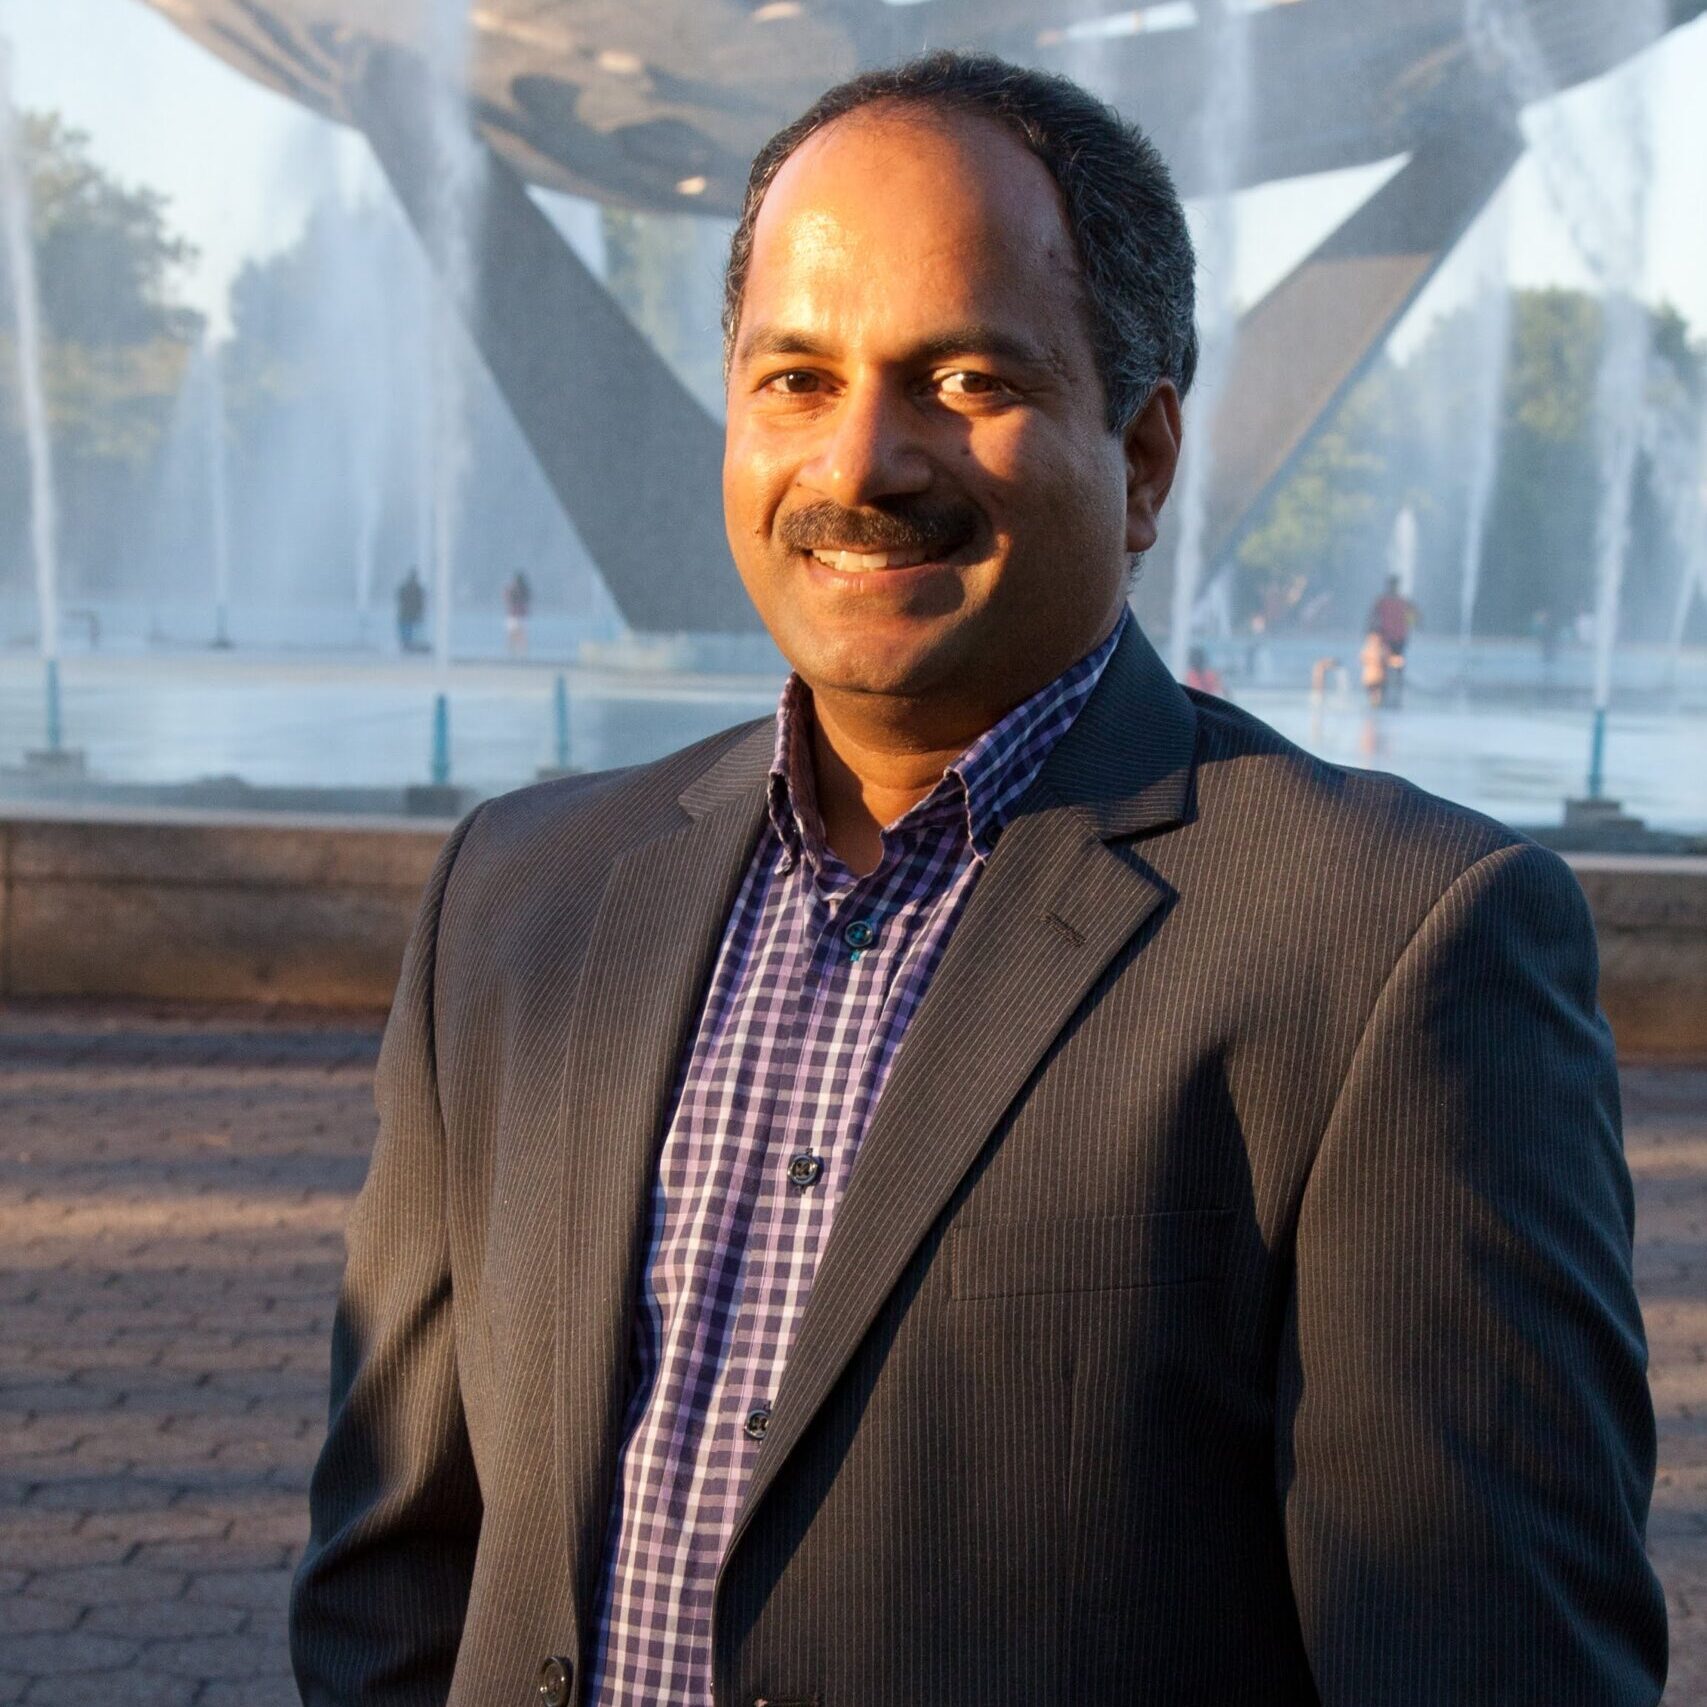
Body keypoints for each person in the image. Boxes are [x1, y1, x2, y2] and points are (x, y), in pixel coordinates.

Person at [292, 53, 1664, 1706]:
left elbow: (1481, 1662)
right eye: (795, 378)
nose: (861, 462)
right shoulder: (516, 903)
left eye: (965, 378)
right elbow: (399, 1574)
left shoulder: (1391, 950)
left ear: (1144, 454)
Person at [1367, 572, 1418, 706]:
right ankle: (1387, 692)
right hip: (1388, 638)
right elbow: (1373, 617)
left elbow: (1413, 618)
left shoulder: (1400, 601)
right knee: (1386, 665)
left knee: (1395, 664)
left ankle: (1394, 691)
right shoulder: (1384, 601)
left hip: (1396, 638)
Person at [396, 566, 426, 653]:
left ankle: (406, 646)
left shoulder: (404, 587)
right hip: (412, 614)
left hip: (405, 614)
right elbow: (421, 603)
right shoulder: (418, 589)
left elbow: (399, 599)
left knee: (406, 632)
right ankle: (409, 646)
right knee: (411, 631)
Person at [504, 569, 533, 657]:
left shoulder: (517, 589)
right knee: (516, 635)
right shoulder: (519, 589)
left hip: (516, 615)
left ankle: (517, 653)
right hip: (517, 615)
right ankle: (516, 653)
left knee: (516, 635)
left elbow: (507, 598)